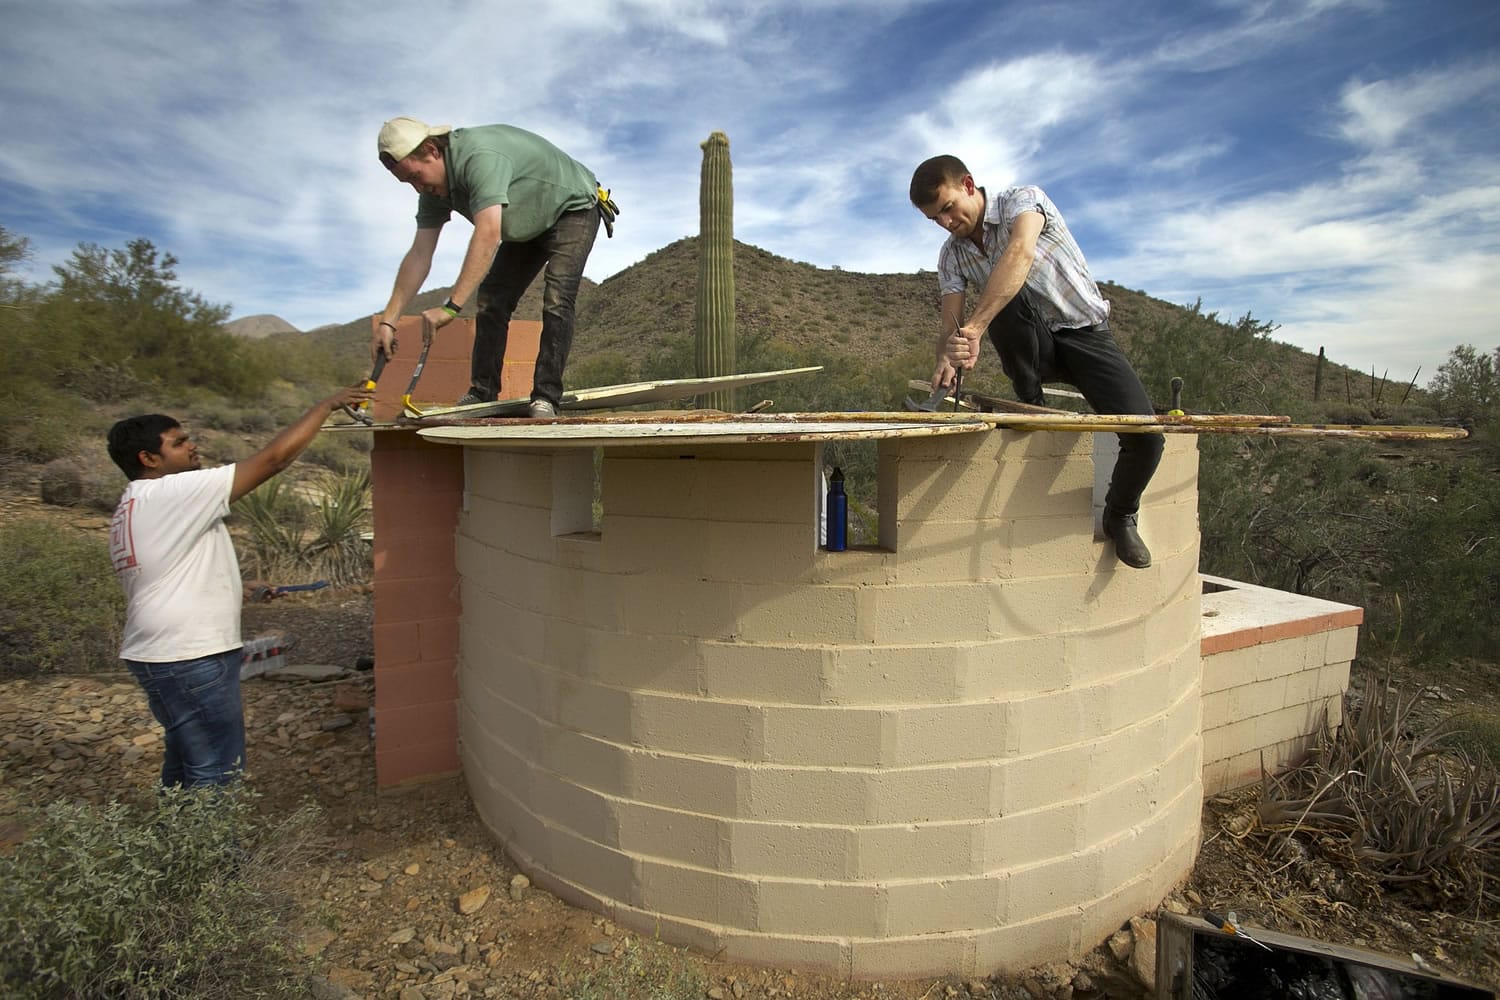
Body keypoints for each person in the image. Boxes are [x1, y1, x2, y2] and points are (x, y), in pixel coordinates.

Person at [106, 384, 373, 788]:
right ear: (149, 458)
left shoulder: (135, 502)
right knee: (216, 768)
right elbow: (274, 460)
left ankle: (175, 844)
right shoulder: (171, 490)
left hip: (157, 654)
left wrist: (236, 585)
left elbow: (162, 571)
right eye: (179, 443)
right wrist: (327, 405)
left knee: (184, 763)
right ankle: (215, 852)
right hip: (190, 655)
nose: (192, 447)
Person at [909, 154, 1163, 569]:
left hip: (1085, 335)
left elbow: (1021, 253)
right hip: (1032, 349)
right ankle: (1031, 397)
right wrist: (947, 357)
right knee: (1003, 301)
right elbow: (951, 319)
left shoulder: (1022, 201)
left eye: (948, 209)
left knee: (1147, 437)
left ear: (968, 185)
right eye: (934, 218)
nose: (945, 223)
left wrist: (972, 330)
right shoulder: (951, 255)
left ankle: (1120, 514)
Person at [372, 116, 610, 418]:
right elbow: (419, 254)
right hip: (526, 222)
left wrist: (451, 307)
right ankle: (482, 395)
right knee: (492, 299)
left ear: (432, 150)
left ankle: (546, 397)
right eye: (408, 183)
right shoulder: (431, 191)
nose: (418, 188)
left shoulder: (479, 157)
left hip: (571, 206)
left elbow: (488, 233)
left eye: (417, 177)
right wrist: (388, 322)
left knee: (557, 299)